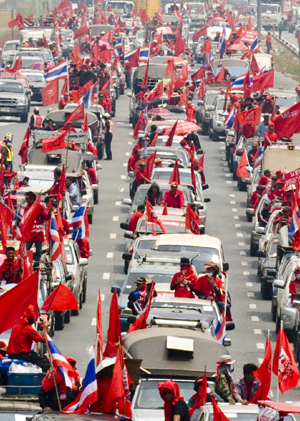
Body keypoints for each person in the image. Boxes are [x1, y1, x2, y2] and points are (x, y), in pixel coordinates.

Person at [7, 305, 51, 372]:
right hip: (23, 356)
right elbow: (44, 340)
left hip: (12, 355)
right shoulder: (28, 329)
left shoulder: (16, 326)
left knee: (35, 356)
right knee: (46, 364)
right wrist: (45, 327)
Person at [24, 192, 51, 269]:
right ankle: (25, 263)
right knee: (27, 249)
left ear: (32, 199)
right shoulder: (27, 208)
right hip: (30, 232)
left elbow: (46, 217)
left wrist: (49, 213)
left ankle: (36, 265)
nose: (27, 201)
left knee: (38, 250)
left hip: (38, 232)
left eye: (28, 199)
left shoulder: (40, 207)